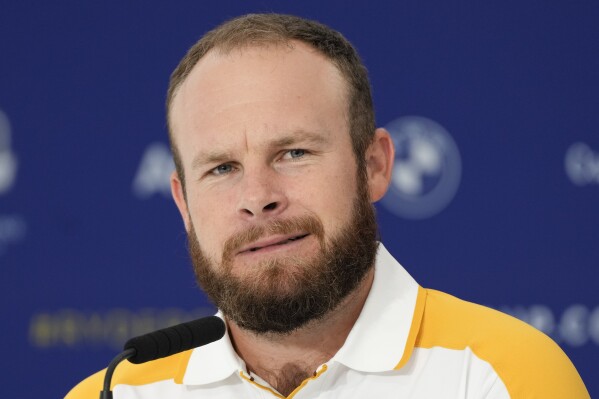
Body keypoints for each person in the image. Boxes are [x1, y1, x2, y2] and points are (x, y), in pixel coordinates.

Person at [66, 13, 589, 399]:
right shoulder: (114, 394)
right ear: (183, 203)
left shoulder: (504, 376)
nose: (257, 198)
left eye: (294, 153)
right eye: (222, 168)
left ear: (376, 166)